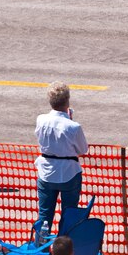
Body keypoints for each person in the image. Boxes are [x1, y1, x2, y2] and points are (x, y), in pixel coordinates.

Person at [34, 81, 89, 229]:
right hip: (69, 173)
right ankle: (65, 247)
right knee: (69, 214)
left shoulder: (41, 119)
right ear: (67, 100)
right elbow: (83, 149)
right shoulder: (73, 127)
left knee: (44, 215)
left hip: (46, 172)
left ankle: (42, 246)